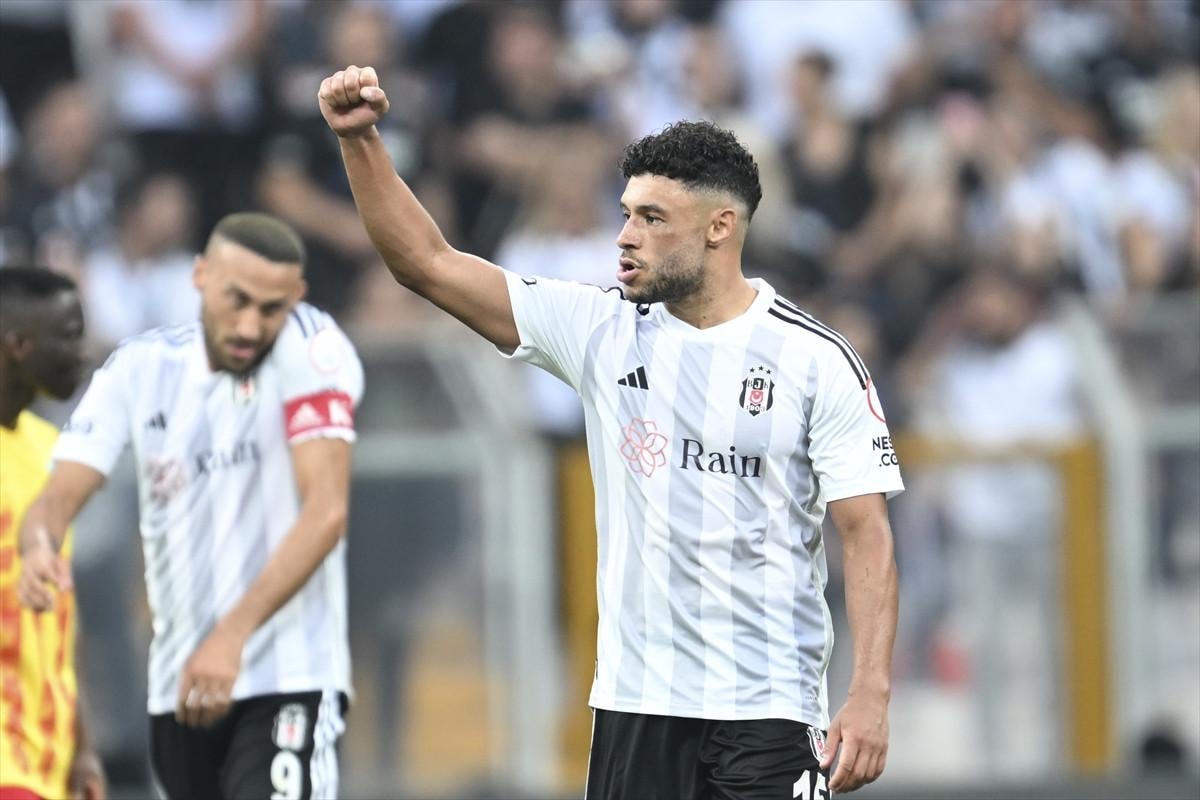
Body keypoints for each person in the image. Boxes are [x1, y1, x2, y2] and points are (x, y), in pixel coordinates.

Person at [319, 66, 902, 797]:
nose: (625, 237)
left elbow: (866, 533)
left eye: (652, 219)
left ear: (720, 228)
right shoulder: (601, 329)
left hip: (768, 711)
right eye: (625, 213)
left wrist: (870, 692)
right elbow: (427, 264)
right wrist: (360, 141)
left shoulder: (815, 361)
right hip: (636, 706)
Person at [17, 213, 364, 800]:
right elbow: (57, 496)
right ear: (200, 276)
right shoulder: (140, 368)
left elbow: (326, 513)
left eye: (271, 308)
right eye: (237, 300)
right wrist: (37, 546)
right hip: (180, 689)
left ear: (297, 297)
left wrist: (231, 637)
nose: (250, 325)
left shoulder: (314, 348)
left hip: (287, 679)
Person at [0, 266, 106, 800]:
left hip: (49, 755)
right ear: (19, 345)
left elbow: (66, 616)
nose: (83, 354)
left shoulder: (50, 452)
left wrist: (84, 744)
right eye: (68, 337)